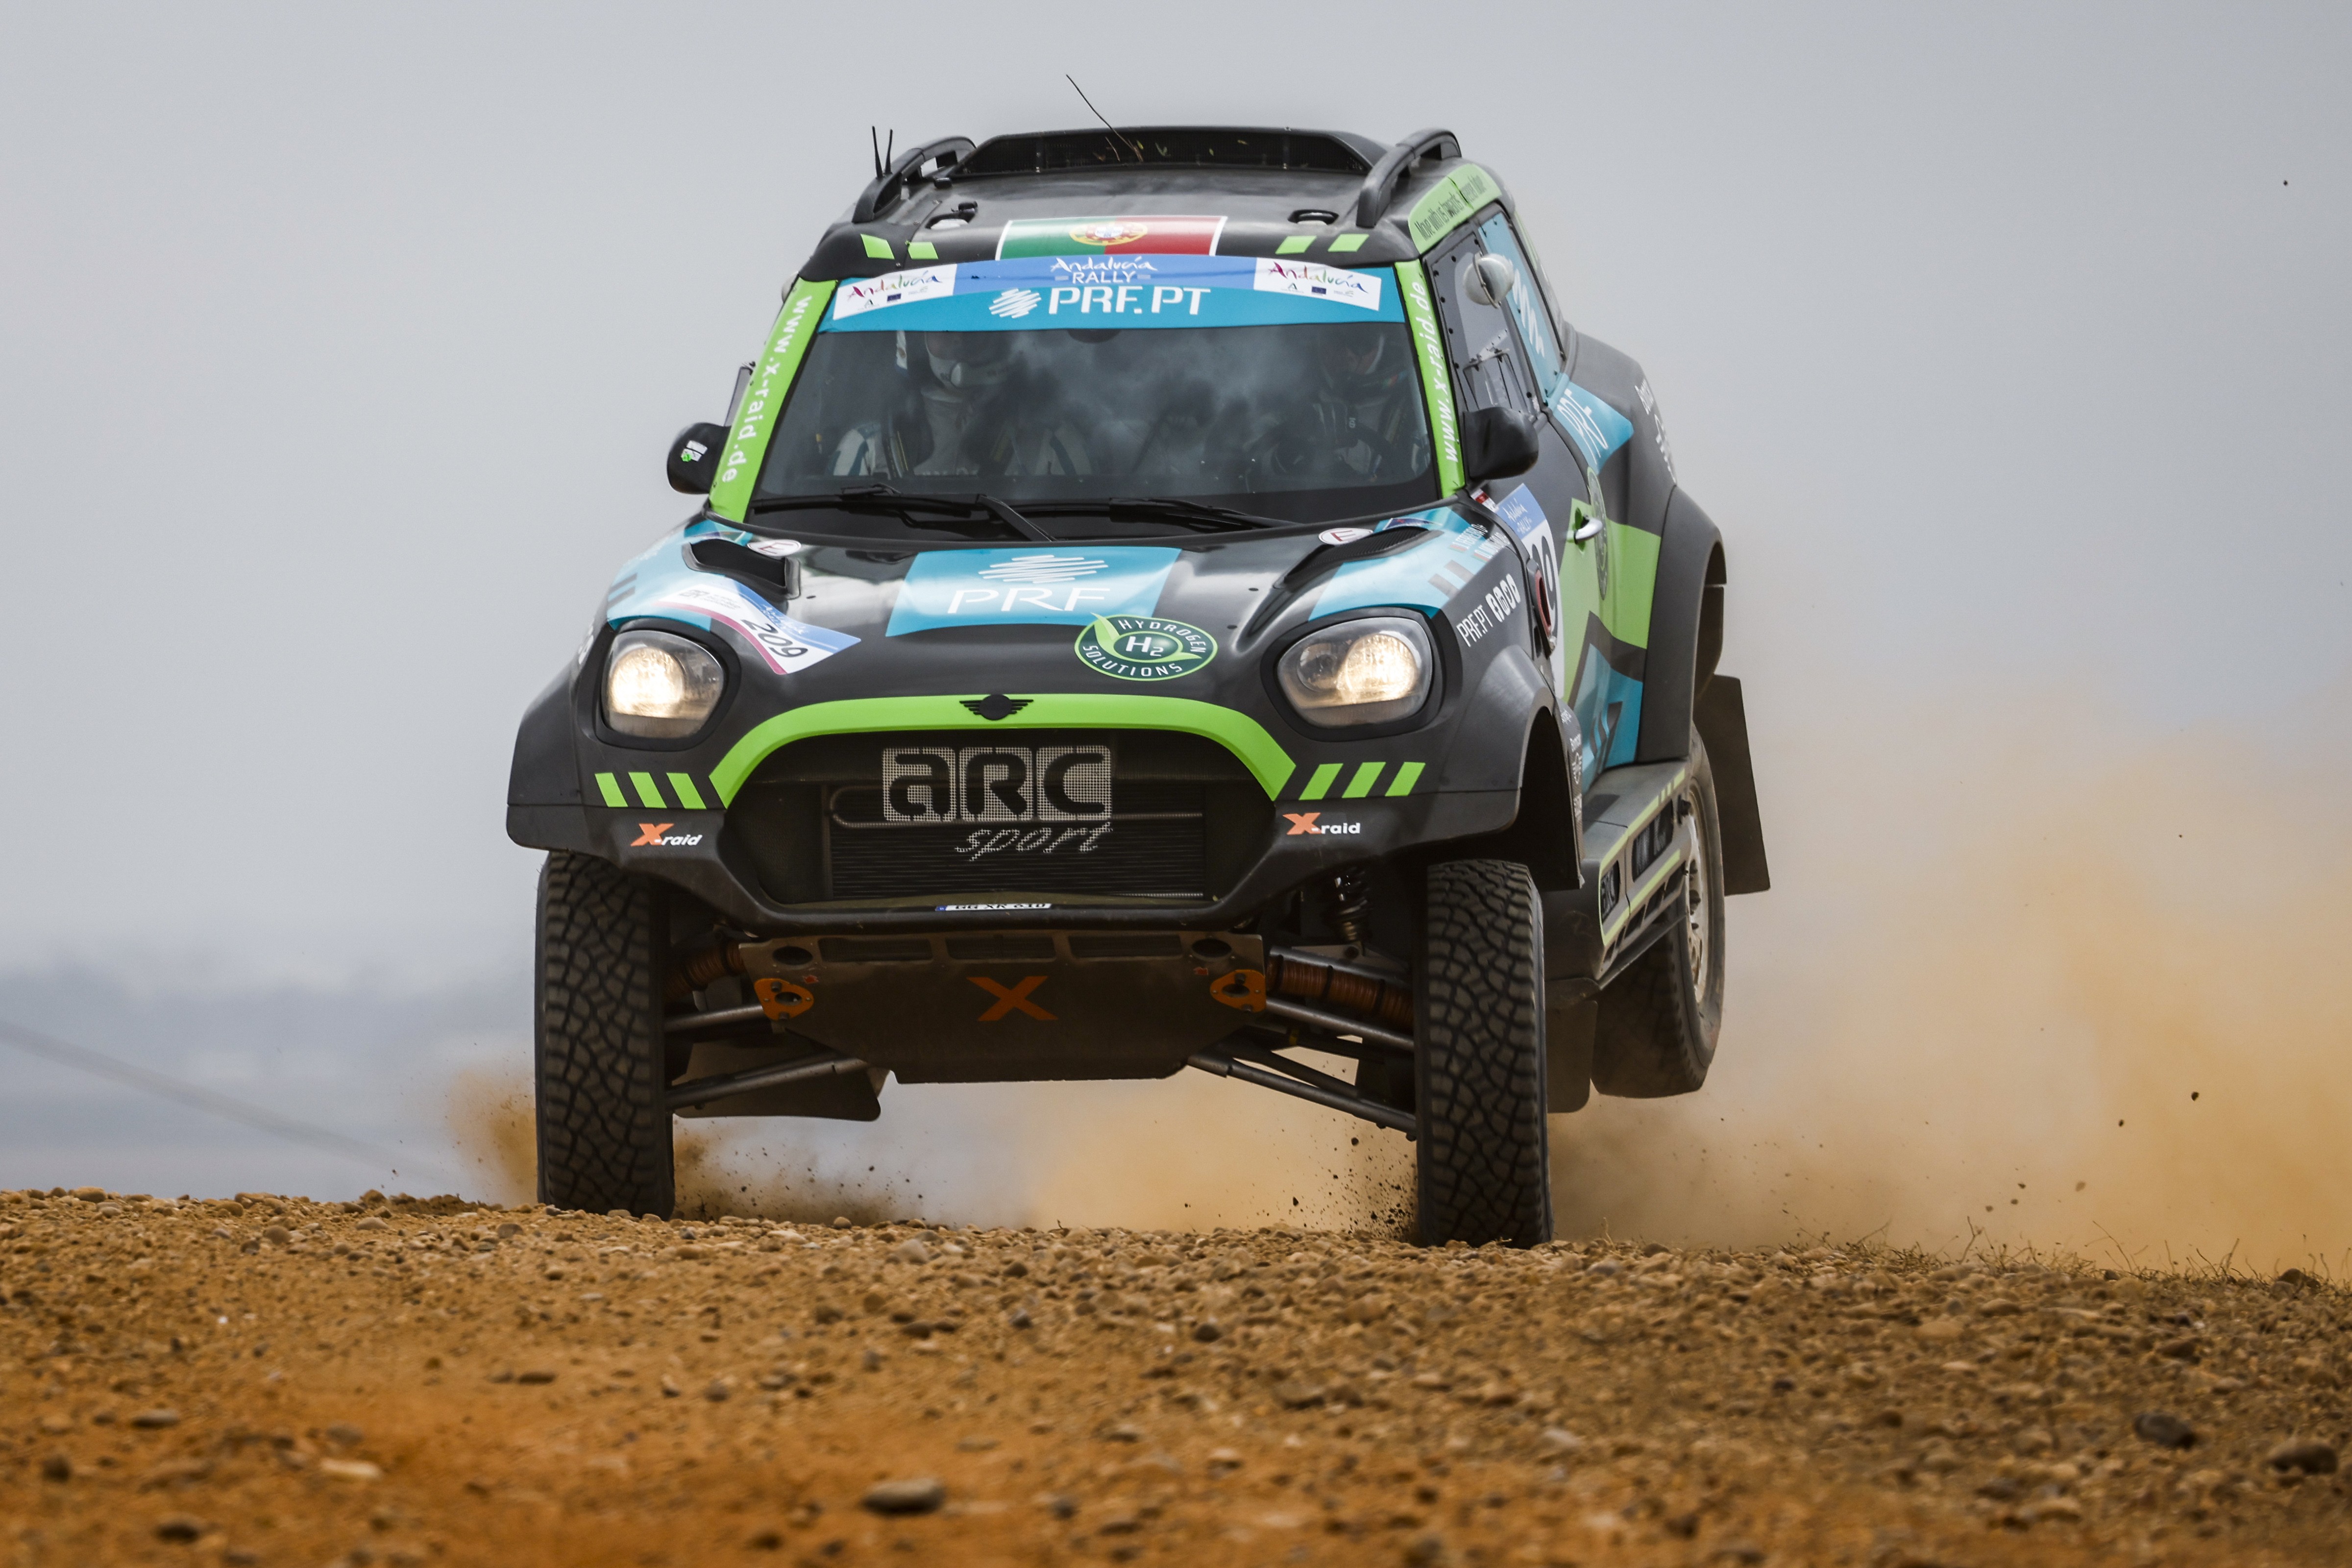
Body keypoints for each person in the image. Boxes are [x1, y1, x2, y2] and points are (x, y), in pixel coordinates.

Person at [832, 331, 1091, 479]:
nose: (960, 339)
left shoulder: (1051, 442)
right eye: (943, 328)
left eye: (974, 327)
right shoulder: (868, 447)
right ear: (913, 342)